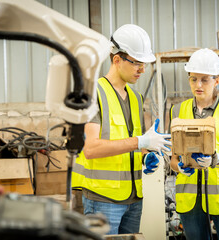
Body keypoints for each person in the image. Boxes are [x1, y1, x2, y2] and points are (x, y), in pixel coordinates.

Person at [72, 24, 171, 235]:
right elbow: (91, 149)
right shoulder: (93, 93)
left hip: (134, 199)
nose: (142, 70)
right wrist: (140, 142)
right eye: (137, 63)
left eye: (143, 64)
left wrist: (145, 157)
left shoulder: (136, 98)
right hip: (103, 200)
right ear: (117, 59)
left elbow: (134, 144)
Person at [169, 48, 219, 240]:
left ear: (217, 80)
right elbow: (173, 160)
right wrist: (179, 167)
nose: (198, 85)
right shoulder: (177, 110)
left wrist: (218, 160)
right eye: (193, 79)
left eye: (205, 79)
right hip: (190, 199)